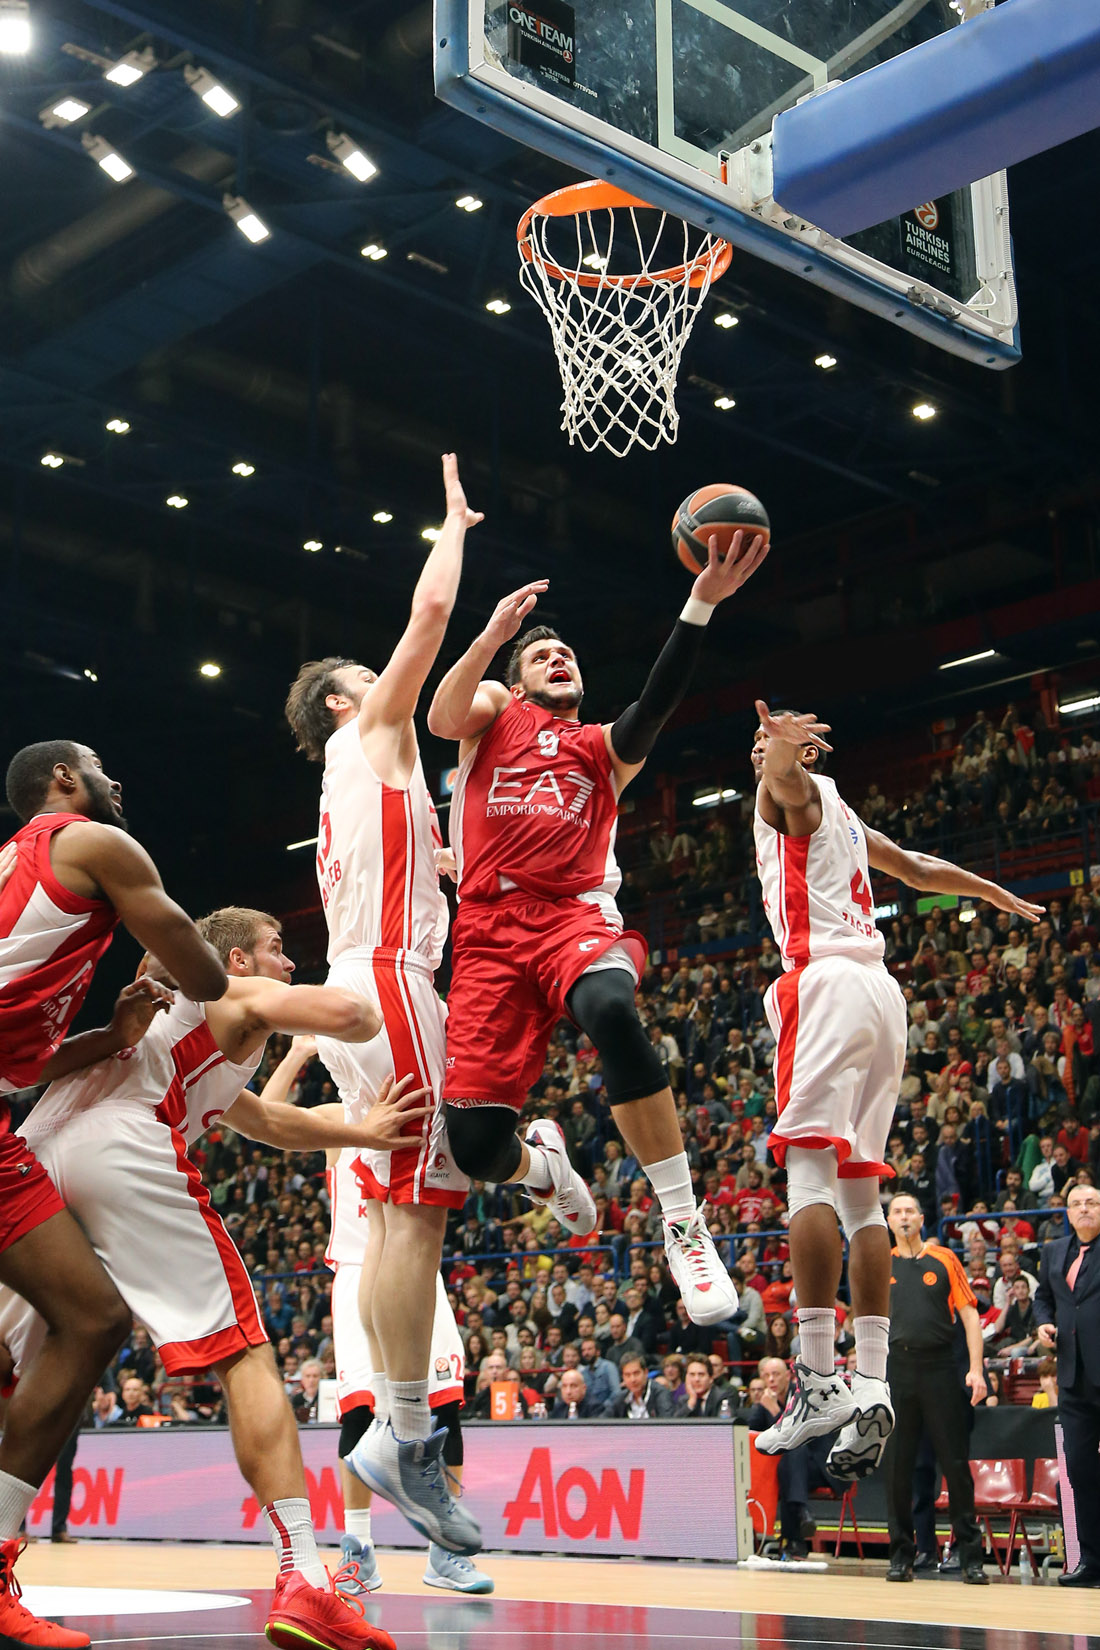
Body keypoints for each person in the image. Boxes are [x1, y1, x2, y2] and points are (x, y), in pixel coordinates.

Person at [0, 905, 414, 1650]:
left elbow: (268, 1121)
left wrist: (358, 1130)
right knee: (243, 1349)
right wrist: (374, 983)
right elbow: (349, 1013)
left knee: (15, 1370)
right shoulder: (228, 989)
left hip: (36, 1159)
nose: (289, 962)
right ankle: (305, 1579)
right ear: (238, 961)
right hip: (122, 1144)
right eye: (278, 949)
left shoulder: (179, 1031)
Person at [427, 531, 770, 1327]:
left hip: (572, 919)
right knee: (475, 1149)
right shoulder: (493, 715)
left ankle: (683, 1222)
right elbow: (443, 714)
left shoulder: (600, 750)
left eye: (567, 653)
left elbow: (656, 704)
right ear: (515, 679)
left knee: (612, 1009)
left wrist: (700, 604)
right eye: (542, 655)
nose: (557, 657)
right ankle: (544, 1172)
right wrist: (492, 640)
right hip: (486, 935)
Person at [749, 704, 1042, 1481]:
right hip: (884, 997)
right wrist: (987, 890)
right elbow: (914, 866)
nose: (759, 752)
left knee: (806, 1175)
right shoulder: (843, 813)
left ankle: (816, 1376)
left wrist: (784, 751)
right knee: (862, 1198)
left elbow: (785, 780)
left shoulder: (795, 794)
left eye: (765, 743)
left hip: (827, 983)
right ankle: (872, 1381)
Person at [283, 455, 481, 1556]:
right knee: (419, 1209)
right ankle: (403, 1443)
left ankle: (391, 1439)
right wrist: (449, 525)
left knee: (411, 1208)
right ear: (346, 701)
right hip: (391, 976)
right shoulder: (371, 731)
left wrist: (440, 858)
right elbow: (432, 610)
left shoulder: (347, 778)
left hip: (367, 972)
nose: (392, 682)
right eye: (377, 676)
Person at [0, 740, 228, 1650]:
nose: (116, 779)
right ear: (63, 779)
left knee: (92, 1319)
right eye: (99, 764)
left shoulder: (15, 872)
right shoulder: (94, 843)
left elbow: (21, 1067)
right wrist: (176, 977)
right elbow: (207, 973)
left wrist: (111, 1033)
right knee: (89, 1320)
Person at [301, 1055, 493, 1600]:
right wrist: (294, 1052)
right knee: (361, 1412)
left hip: (417, 1274)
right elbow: (267, 1112)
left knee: (447, 1407)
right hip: (360, 1272)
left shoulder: (419, 1097)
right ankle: (357, 1551)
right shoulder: (339, 1119)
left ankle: (445, 1553)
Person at [877, 1194, 988, 1585]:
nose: (904, 1217)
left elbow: (970, 1314)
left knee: (955, 1465)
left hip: (941, 1366)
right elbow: (868, 1322)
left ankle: (970, 1556)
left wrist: (976, 1369)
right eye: (897, 1212)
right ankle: (901, 1555)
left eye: (910, 1211)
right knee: (898, 1468)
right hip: (898, 1368)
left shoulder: (945, 1259)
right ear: (888, 1221)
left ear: (922, 1219)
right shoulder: (880, 1263)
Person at [1034, 1183, 1100, 1586]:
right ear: (1067, 1213)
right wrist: (1043, 1321)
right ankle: (1091, 1560)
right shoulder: (1053, 1252)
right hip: (1073, 1378)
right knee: (1078, 1469)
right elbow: (1045, 1297)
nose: (1084, 1210)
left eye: (1091, 1203)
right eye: (1077, 1204)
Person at [606, 1354, 675, 1418]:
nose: (632, 1379)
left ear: (645, 1372)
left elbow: (666, 1424)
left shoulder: (661, 1394)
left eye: (636, 1373)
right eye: (627, 1375)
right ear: (623, 1377)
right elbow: (603, 1420)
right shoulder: (621, 1399)